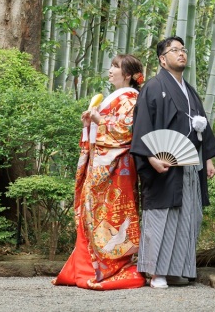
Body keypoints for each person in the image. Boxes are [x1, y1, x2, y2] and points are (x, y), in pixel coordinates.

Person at [130, 36, 215, 289]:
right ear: (162, 59)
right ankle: (155, 272)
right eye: (174, 50)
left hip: (191, 164)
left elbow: (202, 127)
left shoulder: (189, 91)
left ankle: (175, 270)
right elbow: (142, 126)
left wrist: (208, 158)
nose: (181, 53)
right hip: (163, 163)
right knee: (162, 215)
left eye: (183, 49)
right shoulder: (153, 87)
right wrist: (150, 157)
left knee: (188, 215)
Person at [53, 54, 146, 290]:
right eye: (112, 65)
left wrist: (99, 120)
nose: (110, 70)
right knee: (91, 211)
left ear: (128, 75)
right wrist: (90, 123)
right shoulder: (117, 97)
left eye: (116, 66)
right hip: (102, 163)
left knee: (113, 215)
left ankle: (113, 266)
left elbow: (126, 132)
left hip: (118, 168)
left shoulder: (132, 98)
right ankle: (87, 266)